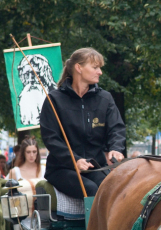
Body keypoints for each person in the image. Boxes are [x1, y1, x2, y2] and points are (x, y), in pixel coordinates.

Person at [39, 47, 126, 198]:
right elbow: (51, 138)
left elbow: (116, 129)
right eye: (95, 67)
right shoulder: (54, 99)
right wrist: (75, 160)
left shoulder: (105, 98)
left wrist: (116, 148)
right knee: (92, 189)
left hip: (95, 168)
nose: (100, 72)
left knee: (114, 189)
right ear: (79, 68)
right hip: (62, 169)